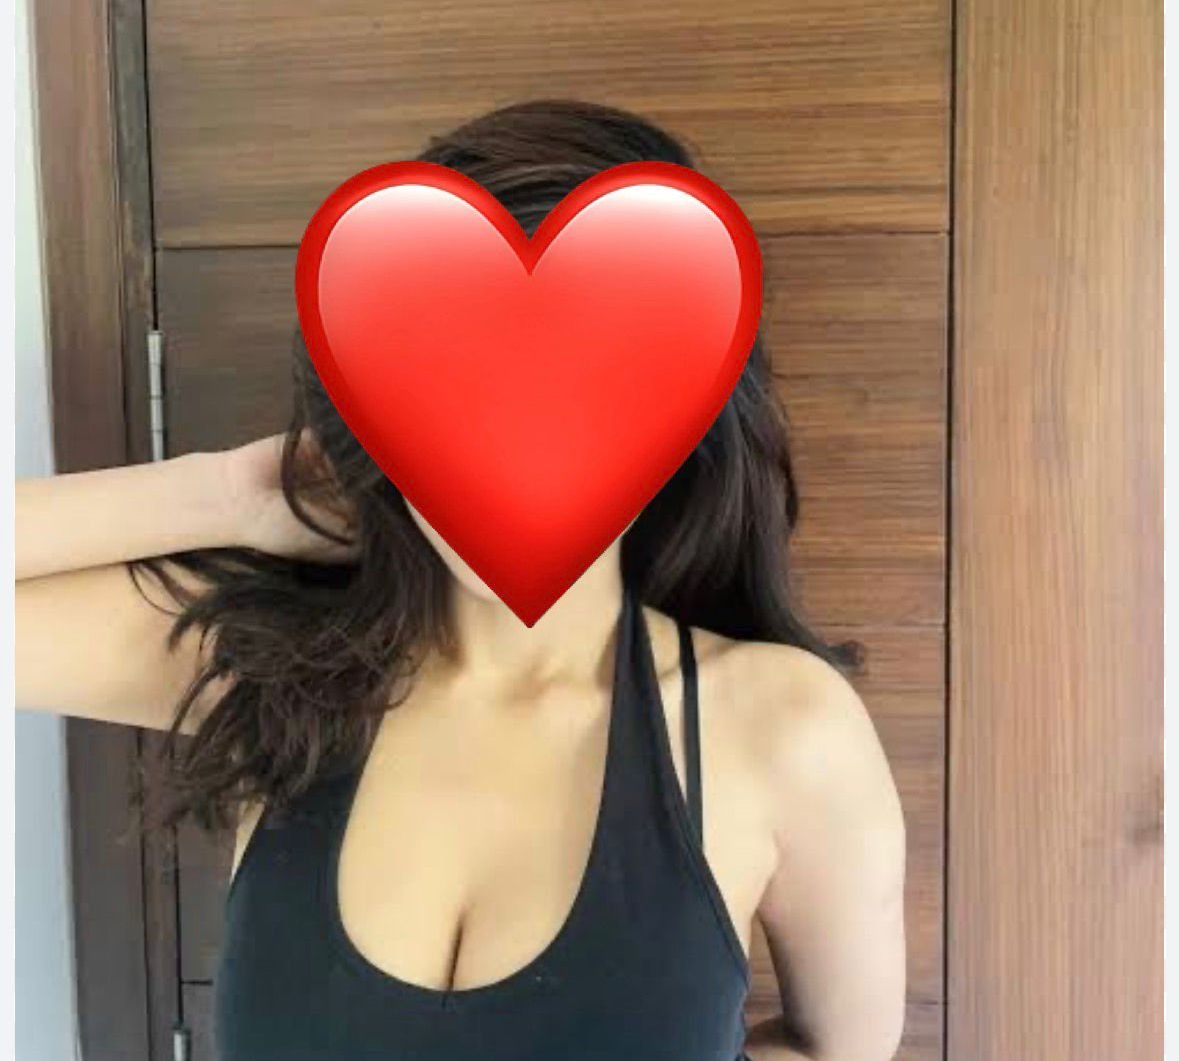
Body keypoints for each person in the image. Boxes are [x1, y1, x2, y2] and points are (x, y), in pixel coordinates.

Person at [16, 100, 906, 1060]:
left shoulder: (782, 730)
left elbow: (838, 1050)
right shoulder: (271, 670)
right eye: (450, 389)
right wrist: (231, 494)